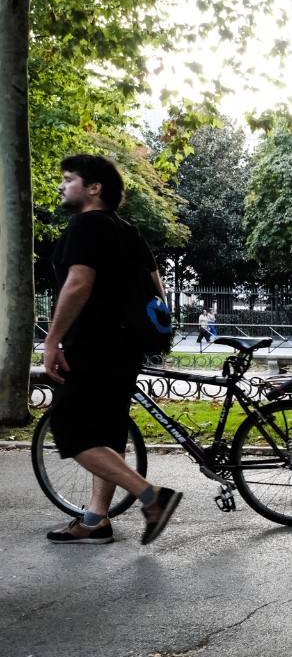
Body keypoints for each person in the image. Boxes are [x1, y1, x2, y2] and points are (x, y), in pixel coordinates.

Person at [42, 154, 183, 545]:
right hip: (126, 347)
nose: (61, 186)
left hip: (90, 345)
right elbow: (156, 288)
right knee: (106, 432)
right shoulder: (128, 230)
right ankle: (95, 520)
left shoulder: (86, 226)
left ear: (94, 188)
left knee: (71, 433)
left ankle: (153, 498)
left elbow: (78, 285)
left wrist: (52, 341)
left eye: (68, 179)